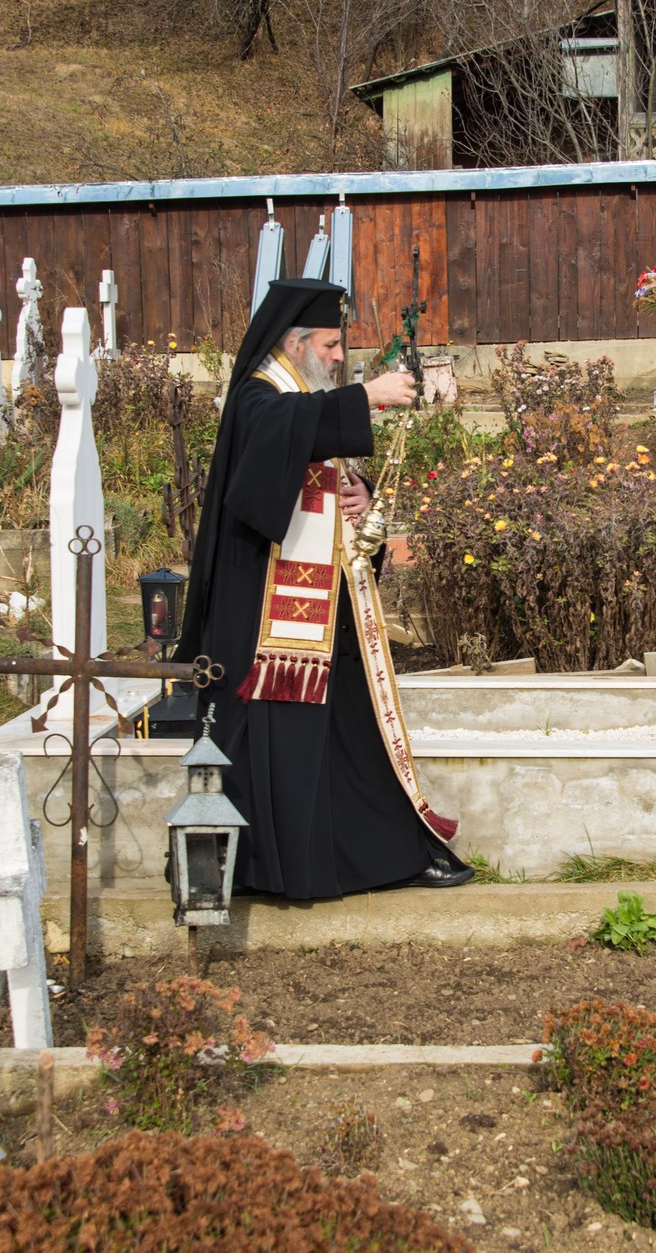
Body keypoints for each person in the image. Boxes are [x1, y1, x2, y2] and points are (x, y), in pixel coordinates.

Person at [176, 277, 474, 900]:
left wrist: (360, 498)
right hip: (266, 622)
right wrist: (367, 394)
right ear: (296, 342)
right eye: (333, 345)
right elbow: (271, 464)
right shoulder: (259, 399)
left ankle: (384, 854)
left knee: (349, 735)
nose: (340, 357)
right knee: (271, 743)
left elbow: (319, 474)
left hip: (324, 610)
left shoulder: (305, 398)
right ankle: (261, 868)